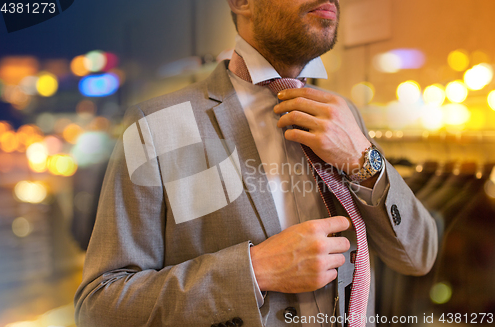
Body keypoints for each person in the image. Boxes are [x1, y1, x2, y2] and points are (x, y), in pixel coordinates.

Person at [74, 0, 438, 326]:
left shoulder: (344, 117)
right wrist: (253, 271)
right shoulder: (157, 126)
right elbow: (100, 307)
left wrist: (363, 159)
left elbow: (419, 256)